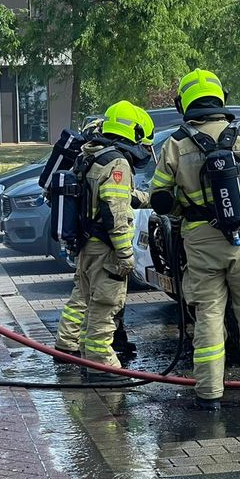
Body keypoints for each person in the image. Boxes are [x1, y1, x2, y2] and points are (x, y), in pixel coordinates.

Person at [150, 68, 240, 410]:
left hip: (200, 241)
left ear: (184, 102)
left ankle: (209, 394)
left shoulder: (174, 144)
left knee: (209, 317)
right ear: (220, 98)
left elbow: (159, 199)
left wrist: (185, 209)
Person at [68, 100, 152, 379]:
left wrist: (145, 198)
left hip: (88, 244)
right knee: (105, 307)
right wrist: (125, 253)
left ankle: (87, 356)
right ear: (134, 133)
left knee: (89, 303)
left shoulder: (92, 155)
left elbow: (112, 197)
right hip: (106, 248)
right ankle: (103, 365)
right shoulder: (117, 162)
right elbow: (114, 210)